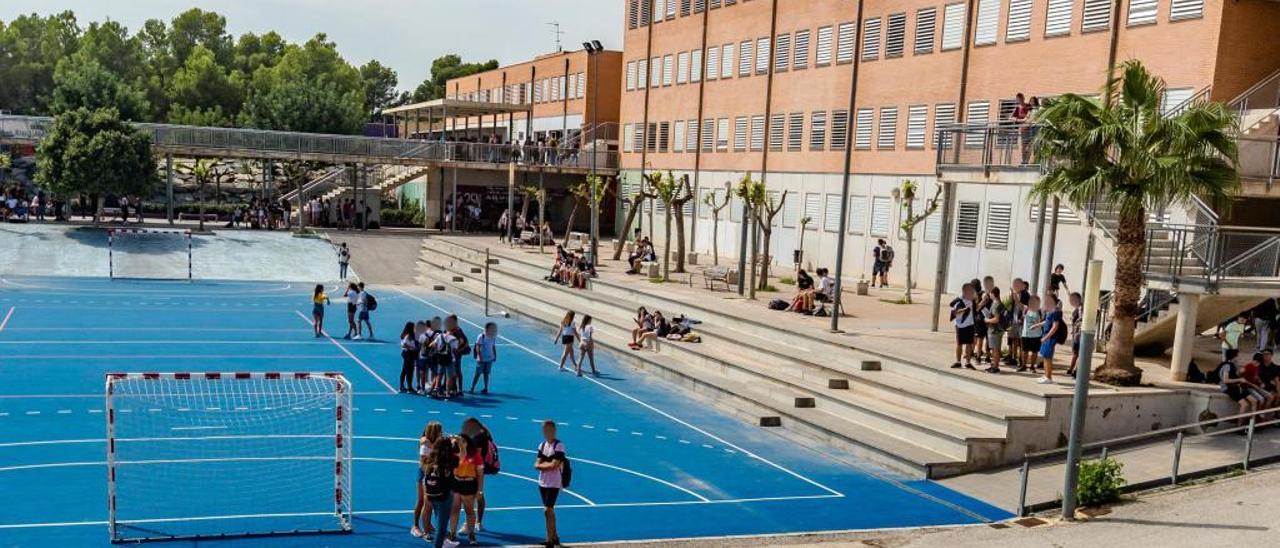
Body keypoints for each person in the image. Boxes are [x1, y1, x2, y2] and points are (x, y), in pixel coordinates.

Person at [535, 421, 566, 548]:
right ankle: (555, 537)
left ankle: (549, 540)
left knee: (547, 510)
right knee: (550, 511)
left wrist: (543, 465)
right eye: (544, 430)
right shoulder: (542, 445)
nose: (546, 432)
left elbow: (555, 464)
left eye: (548, 429)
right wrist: (546, 465)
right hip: (542, 482)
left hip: (554, 482)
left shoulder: (559, 446)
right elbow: (536, 464)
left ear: (554, 430)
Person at [448, 433, 484, 545]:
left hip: (469, 484)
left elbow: (480, 474)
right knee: (454, 509)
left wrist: (479, 490)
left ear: (468, 442)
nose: (461, 443)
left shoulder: (475, 455)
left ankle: (471, 534)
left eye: (463, 441)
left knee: (469, 510)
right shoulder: (454, 453)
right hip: (456, 483)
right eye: (460, 441)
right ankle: (452, 533)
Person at [422, 436, 457, 548]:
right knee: (442, 528)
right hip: (445, 496)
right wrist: (457, 442)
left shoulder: (430, 459)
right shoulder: (450, 461)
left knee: (438, 519)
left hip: (432, 495)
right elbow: (462, 455)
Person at [413, 421, 445, 540]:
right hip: (424, 476)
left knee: (430, 504)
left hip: (432, 475)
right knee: (422, 501)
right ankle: (416, 526)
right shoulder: (424, 444)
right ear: (435, 432)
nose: (442, 433)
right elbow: (422, 465)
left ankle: (428, 525)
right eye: (440, 431)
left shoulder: (433, 443)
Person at [1218, 349, 1263, 428]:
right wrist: (1239, 379)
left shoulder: (1233, 365)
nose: (1238, 358)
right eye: (1237, 356)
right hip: (1229, 388)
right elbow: (1226, 380)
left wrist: (1240, 374)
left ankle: (1252, 423)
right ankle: (1239, 425)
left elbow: (1235, 375)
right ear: (1234, 357)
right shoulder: (1227, 366)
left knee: (1254, 401)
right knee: (1244, 404)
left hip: (1237, 387)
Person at [1036, 293, 1064, 385]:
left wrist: (1046, 337)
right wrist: (1037, 325)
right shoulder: (1050, 311)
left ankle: (1049, 377)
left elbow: (1055, 326)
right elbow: (1047, 321)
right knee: (1044, 356)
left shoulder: (1056, 311)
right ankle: (1046, 375)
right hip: (1046, 336)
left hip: (1050, 337)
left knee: (1048, 357)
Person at [950, 283, 977, 370]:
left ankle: (968, 363)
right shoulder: (958, 300)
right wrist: (964, 310)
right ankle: (958, 362)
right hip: (960, 325)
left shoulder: (972, 299)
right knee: (959, 343)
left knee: (969, 343)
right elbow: (954, 312)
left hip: (970, 324)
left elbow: (976, 308)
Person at [981, 287, 1006, 374]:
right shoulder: (1000, 303)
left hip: (994, 330)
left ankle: (995, 367)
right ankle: (995, 365)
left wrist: (987, 320)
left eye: (990, 294)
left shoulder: (995, 304)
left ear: (993, 294)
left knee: (995, 349)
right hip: (999, 330)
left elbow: (996, 319)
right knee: (996, 349)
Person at [471, 322, 498, 394]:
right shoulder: (481, 336)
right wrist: (480, 357)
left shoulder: (493, 337)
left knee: (486, 374)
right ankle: (472, 388)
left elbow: (493, 346)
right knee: (477, 374)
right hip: (481, 359)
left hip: (489, 359)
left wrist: (495, 355)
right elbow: (477, 346)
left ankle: (486, 388)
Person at [1020, 295, 1044, 374]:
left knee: (1034, 352)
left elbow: (1042, 322)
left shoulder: (1040, 311)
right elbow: (1018, 303)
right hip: (1026, 334)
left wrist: (1037, 325)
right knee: (1024, 351)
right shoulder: (1026, 309)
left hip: (1036, 335)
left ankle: (1032, 366)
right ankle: (1023, 365)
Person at [1065, 292, 1085, 378]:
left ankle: (1076, 370)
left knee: (1079, 353)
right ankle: (1071, 369)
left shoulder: (1081, 308)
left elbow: (1081, 319)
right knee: (1075, 353)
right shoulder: (1077, 308)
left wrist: (1076, 323)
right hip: (1076, 334)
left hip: (1079, 334)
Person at [400, 322, 419, 393]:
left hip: (407, 353)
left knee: (405, 370)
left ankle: (402, 386)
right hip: (409, 353)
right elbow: (404, 344)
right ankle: (409, 387)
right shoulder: (408, 335)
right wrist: (413, 347)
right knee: (409, 370)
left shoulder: (404, 334)